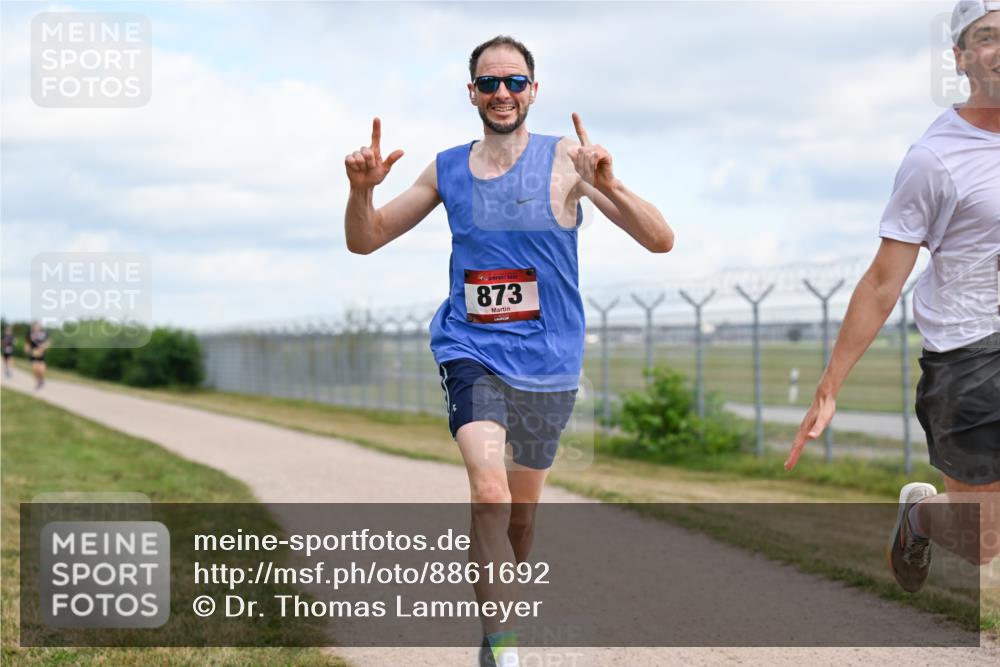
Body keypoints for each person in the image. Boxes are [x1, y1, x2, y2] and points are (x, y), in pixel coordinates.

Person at [344, 35, 673, 666]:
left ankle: (497, 623)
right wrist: (361, 191)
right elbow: (367, 240)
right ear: (471, 92)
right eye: (489, 83)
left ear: (533, 91)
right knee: (488, 494)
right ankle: (506, 652)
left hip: (549, 363)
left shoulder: (568, 161)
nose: (502, 93)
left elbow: (659, 240)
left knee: (521, 521)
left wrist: (611, 184)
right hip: (471, 350)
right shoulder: (445, 168)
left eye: (514, 82)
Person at [786, 0, 999, 593]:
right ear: (960, 58)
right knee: (984, 540)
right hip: (969, 353)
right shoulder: (934, 160)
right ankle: (920, 514)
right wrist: (828, 388)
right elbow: (883, 281)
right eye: (986, 38)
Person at [25, 321, 49, 390]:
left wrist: (43, 347)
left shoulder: (44, 334)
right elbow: (27, 344)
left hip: (41, 355)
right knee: (35, 369)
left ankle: (41, 380)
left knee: (42, 370)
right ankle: (38, 383)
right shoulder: (29, 334)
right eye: (34, 326)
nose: (36, 328)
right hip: (33, 355)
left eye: (37, 326)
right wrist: (27, 349)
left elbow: (47, 343)